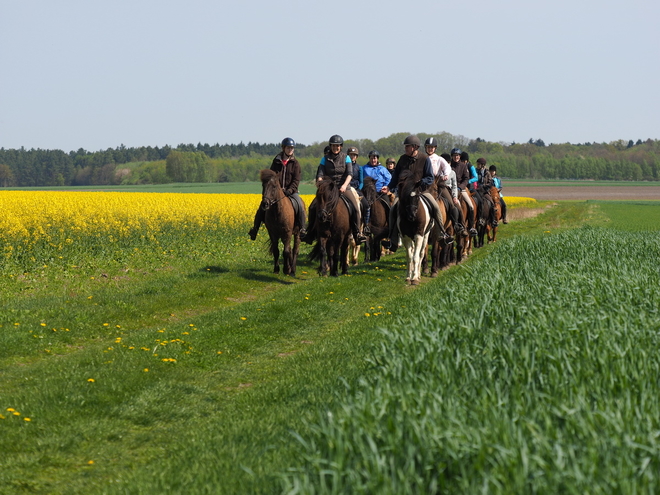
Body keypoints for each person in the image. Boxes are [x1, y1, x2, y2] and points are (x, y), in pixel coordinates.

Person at [383, 135, 451, 252]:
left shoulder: (425, 159)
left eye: (407, 146)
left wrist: (421, 182)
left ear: (414, 147)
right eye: (405, 146)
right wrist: (388, 187)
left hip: (421, 192)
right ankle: (392, 239)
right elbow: (395, 178)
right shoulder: (402, 159)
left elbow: (430, 177)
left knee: (435, 207)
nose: (405, 148)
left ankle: (441, 235)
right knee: (393, 209)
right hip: (404, 194)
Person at [302, 135, 367, 244]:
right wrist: (320, 183)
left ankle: (357, 233)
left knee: (355, 207)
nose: (335, 148)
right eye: (333, 145)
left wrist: (344, 186)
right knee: (313, 207)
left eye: (337, 146)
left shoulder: (346, 157)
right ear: (330, 146)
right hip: (329, 189)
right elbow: (320, 174)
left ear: (341, 147)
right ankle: (310, 234)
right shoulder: (325, 159)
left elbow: (350, 174)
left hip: (343, 187)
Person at [248, 138, 306, 240]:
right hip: (276, 192)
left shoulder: (295, 163)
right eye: (288, 148)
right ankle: (255, 229)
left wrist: (290, 190)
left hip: (291, 192)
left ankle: (302, 229)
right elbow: (271, 177)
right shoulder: (276, 161)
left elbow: (296, 180)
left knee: (299, 205)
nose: (290, 150)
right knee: (263, 205)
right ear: (284, 148)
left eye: (292, 148)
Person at [450, 148, 478, 235]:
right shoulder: (449, 165)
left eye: (457, 155)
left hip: (461, 189)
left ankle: (471, 227)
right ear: (452, 156)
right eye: (454, 156)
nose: (456, 157)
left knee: (471, 206)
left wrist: (460, 187)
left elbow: (466, 179)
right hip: (450, 188)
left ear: (460, 156)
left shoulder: (463, 166)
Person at [362, 150, 391, 230]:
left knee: (388, 205)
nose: (373, 160)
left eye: (374, 158)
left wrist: (385, 186)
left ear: (377, 159)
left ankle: (390, 225)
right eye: (371, 158)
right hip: (367, 193)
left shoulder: (383, 169)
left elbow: (389, 179)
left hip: (380, 193)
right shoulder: (364, 168)